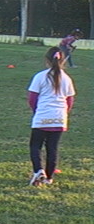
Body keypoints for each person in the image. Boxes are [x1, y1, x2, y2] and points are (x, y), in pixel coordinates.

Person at [27, 46, 76, 186]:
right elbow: (69, 100)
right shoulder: (67, 78)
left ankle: (38, 171)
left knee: (35, 146)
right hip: (59, 118)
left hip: (42, 117)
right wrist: (64, 113)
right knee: (52, 148)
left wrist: (37, 111)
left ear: (47, 60)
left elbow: (32, 98)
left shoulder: (40, 76)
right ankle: (49, 177)